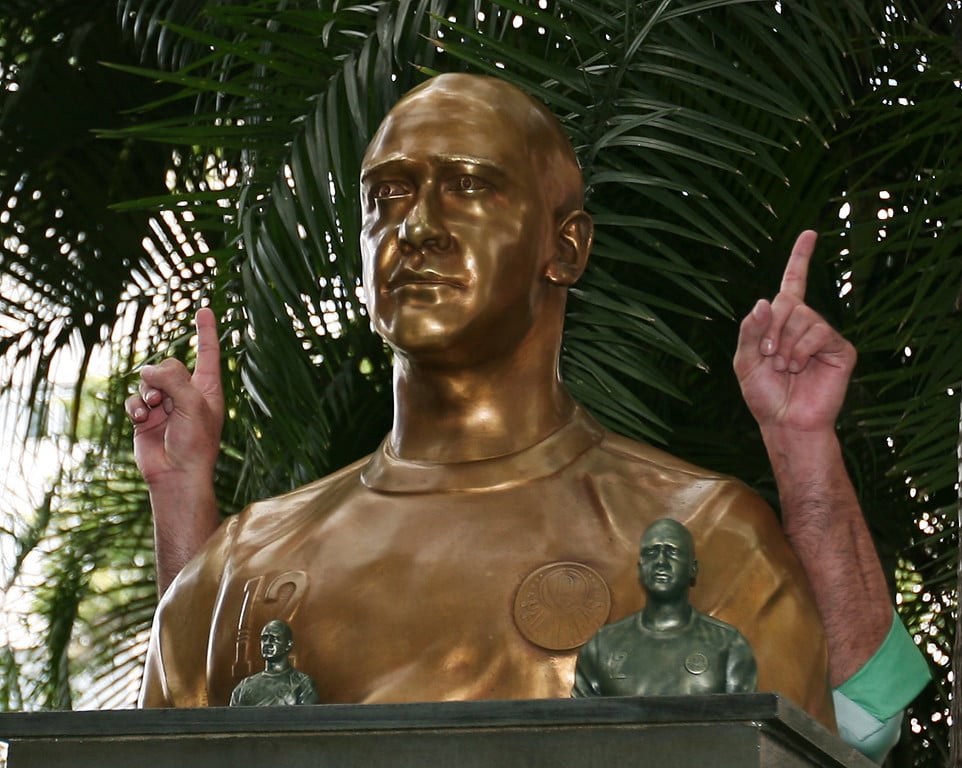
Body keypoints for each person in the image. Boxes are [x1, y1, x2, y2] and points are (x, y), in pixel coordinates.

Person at [129, 74, 928, 760]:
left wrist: (802, 447)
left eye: (471, 185)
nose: (418, 227)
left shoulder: (707, 539)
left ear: (567, 247)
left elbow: (854, 724)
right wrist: (184, 504)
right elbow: (168, 750)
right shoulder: (242, 562)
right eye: (389, 195)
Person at [572, 518, 757, 697]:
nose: (661, 561)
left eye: (672, 552)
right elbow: (579, 724)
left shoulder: (728, 645)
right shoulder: (602, 646)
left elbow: (746, 723)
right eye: (651, 552)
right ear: (640, 568)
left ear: (693, 568)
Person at [229, 619, 319, 706]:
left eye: (274, 639)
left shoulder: (302, 684)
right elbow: (231, 719)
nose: (267, 643)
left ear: (288, 645)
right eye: (264, 638)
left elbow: (307, 719)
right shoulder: (244, 686)